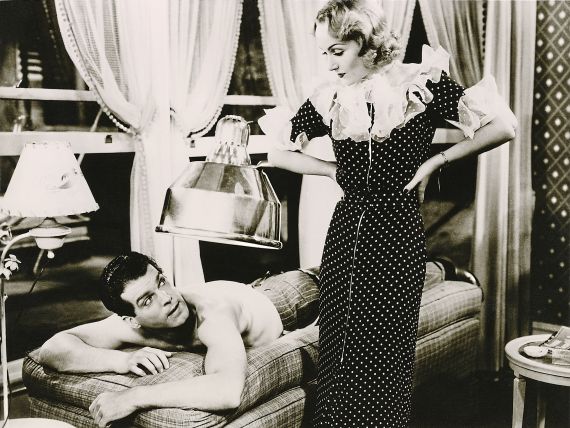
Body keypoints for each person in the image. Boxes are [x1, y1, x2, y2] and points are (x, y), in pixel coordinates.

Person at [259, 0, 517, 426]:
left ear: (366, 43)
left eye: (337, 51)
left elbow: (503, 125)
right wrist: (331, 170)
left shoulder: (419, 83)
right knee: (340, 348)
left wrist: (436, 161)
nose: (330, 63)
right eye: (324, 52)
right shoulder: (330, 96)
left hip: (398, 234)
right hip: (347, 233)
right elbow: (278, 152)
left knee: (388, 352)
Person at [38, 251, 319, 428]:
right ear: (131, 319)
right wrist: (121, 360)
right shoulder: (130, 328)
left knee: (324, 274)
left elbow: (228, 390)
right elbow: (53, 348)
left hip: (287, 297)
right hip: (246, 289)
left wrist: (133, 397)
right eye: (147, 300)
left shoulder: (213, 314)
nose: (167, 298)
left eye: (161, 281)